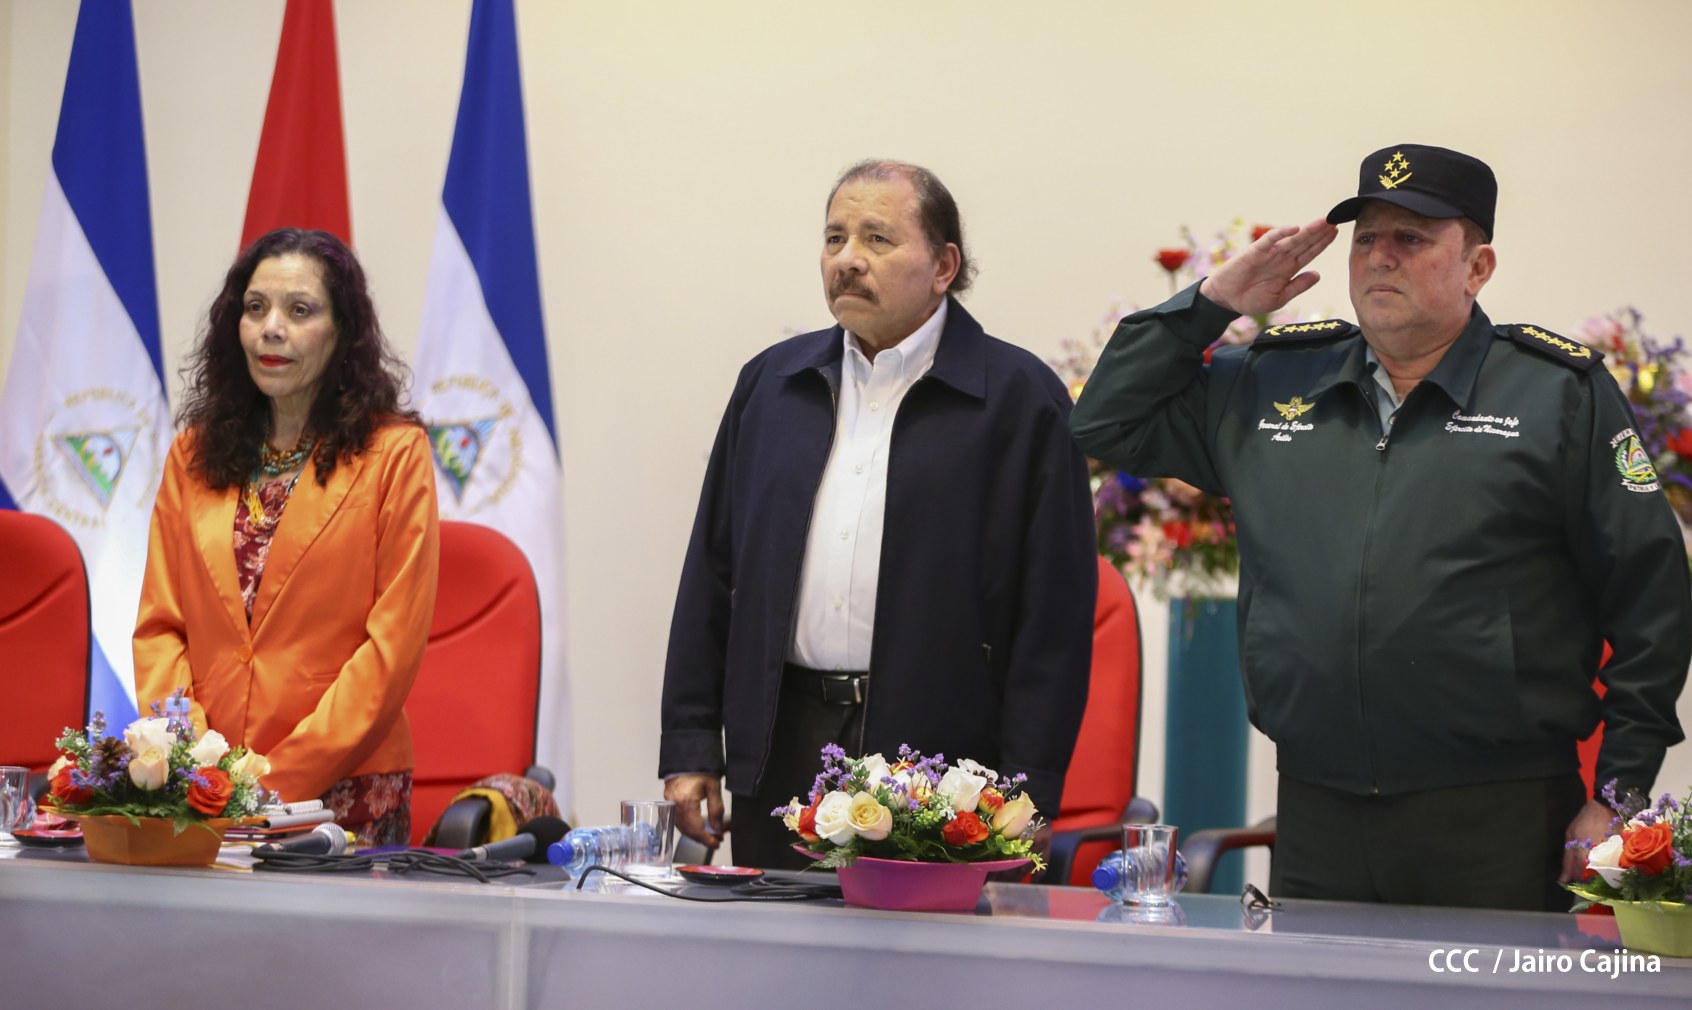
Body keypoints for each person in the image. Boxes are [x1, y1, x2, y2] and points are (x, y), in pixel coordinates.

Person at [1071, 144, 1691, 911]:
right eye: (1366, 238)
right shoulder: (1271, 380)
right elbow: (1104, 422)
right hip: (1317, 809)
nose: (1380, 257)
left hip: (1498, 815)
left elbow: (1651, 601)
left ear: (1477, 267)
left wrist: (1619, 793)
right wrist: (1211, 302)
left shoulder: (1557, 394)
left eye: (1412, 238)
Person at [660, 160, 1096, 869]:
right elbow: (712, 571)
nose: (848, 259)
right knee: (776, 940)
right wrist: (690, 745)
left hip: (943, 767)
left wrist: (1028, 787)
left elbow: (1055, 614)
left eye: (877, 239)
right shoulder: (772, 386)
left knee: (916, 945)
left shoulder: (1019, 400)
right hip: (782, 748)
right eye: (834, 238)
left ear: (944, 266)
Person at [134, 228, 439, 846]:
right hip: (208, 796)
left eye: (300, 310)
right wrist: (198, 765)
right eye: (256, 308)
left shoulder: (395, 454)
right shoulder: (192, 455)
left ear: (343, 331)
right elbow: (161, 629)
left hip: (344, 792)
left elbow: (391, 652)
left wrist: (269, 782)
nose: (271, 328)